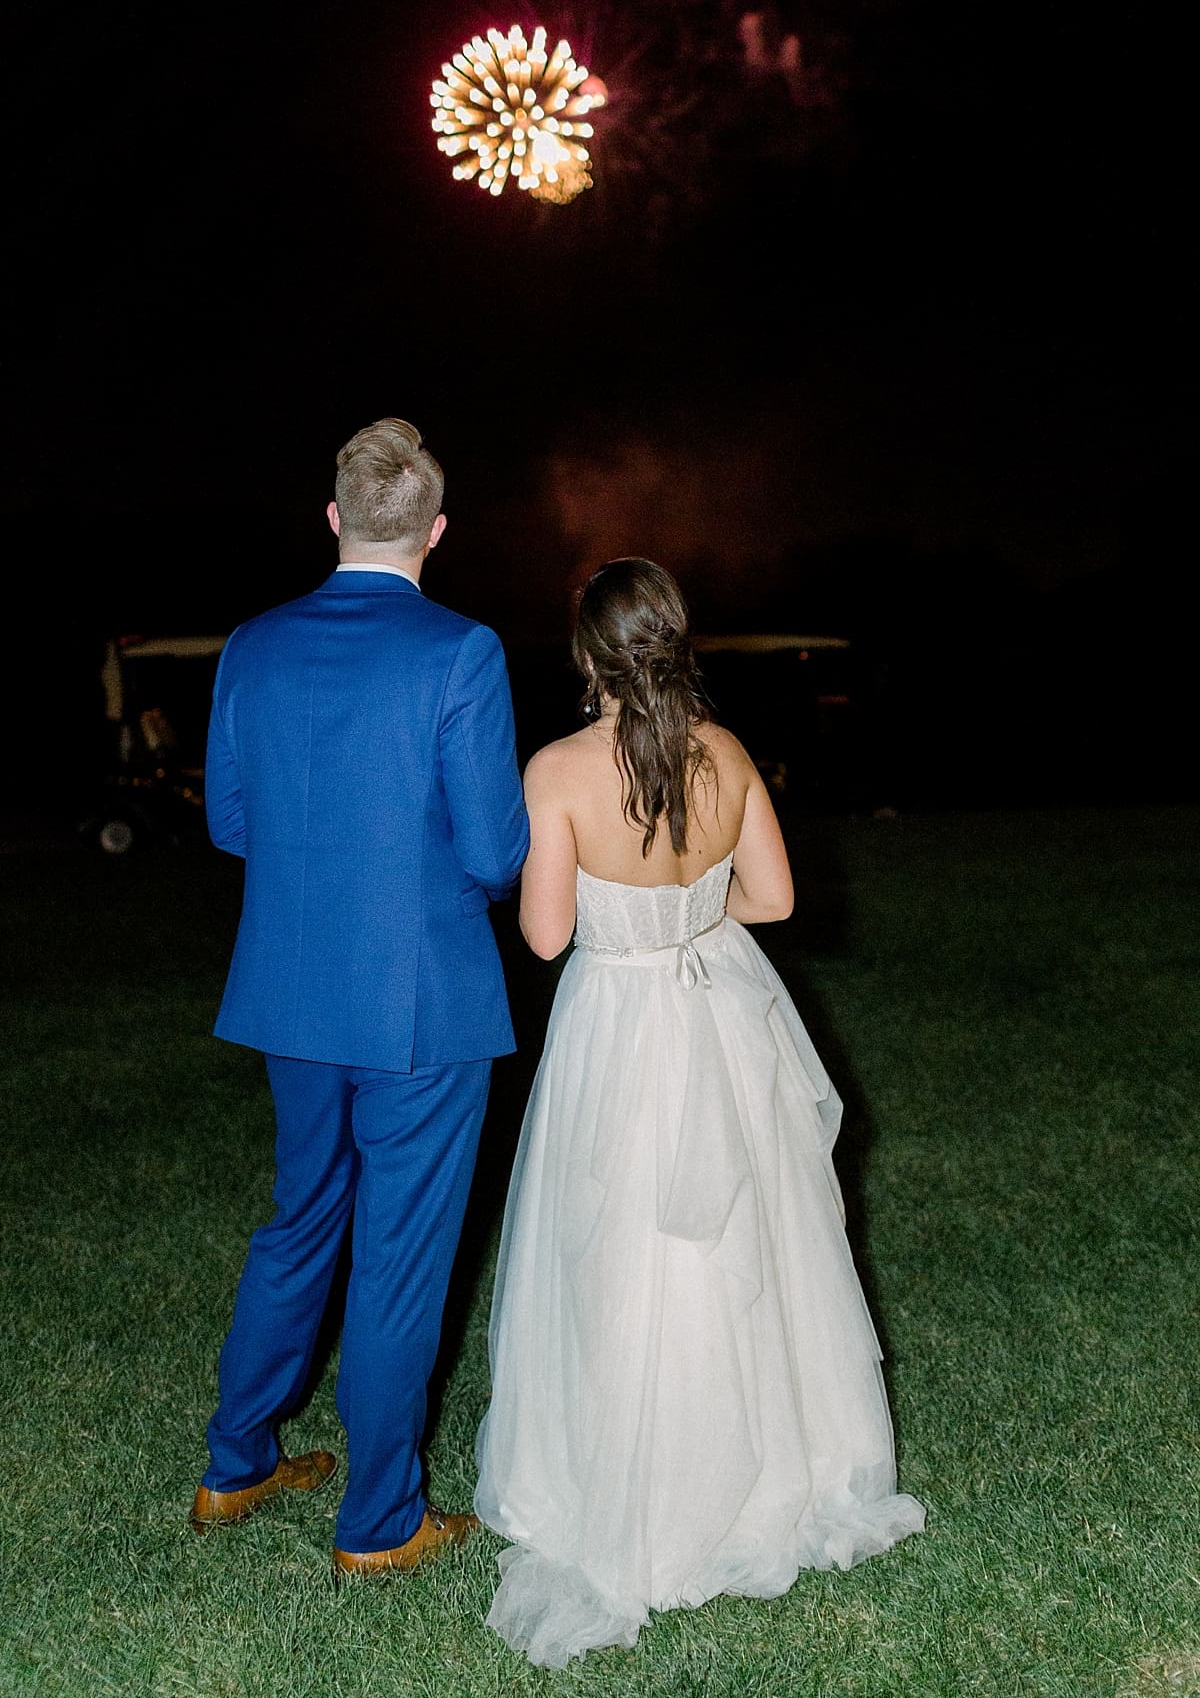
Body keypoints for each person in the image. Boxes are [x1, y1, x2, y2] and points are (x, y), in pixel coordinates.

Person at [474, 558, 924, 1667]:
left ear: (586, 658)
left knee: (622, 1251)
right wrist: (691, 910)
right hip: (721, 1011)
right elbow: (770, 899)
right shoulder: (725, 755)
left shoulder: (560, 771)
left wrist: (619, 914)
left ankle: (645, 1487)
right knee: (747, 1241)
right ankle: (778, 1467)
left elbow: (540, 938)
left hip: (618, 1026)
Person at [190, 417, 529, 1579]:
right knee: (397, 1254)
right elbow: (493, 855)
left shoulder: (252, 644)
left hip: (293, 997)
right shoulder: (463, 651)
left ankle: (236, 1463)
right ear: (435, 532)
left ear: (333, 520)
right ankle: (380, 1522)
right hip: (422, 1002)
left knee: (300, 1222)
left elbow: (232, 823)